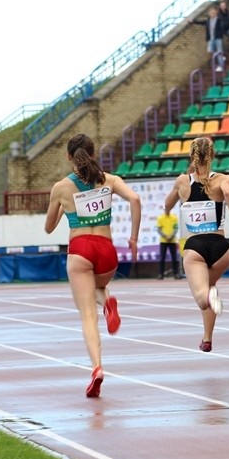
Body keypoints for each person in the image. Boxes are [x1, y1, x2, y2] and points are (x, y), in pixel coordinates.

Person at [44, 133, 141, 398]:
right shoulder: (109, 180)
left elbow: (49, 227)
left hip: (80, 250)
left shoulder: (61, 188)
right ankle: (107, 300)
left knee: (87, 315)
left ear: (68, 157)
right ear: (93, 154)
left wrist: (66, 208)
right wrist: (133, 237)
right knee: (98, 286)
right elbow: (135, 200)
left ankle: (97, 368)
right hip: (107, 251)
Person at [163, 137, 229, 352]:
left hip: (196, 247)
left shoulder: (182, 181)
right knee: (209, 287)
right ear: (212, 155)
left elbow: (167, 204)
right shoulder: (223, 179)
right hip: (221, 248)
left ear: (191, 156)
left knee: (202, 298)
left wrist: (169, 211)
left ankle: (209, 299)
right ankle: (207, 338)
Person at [189, 5, 227, 72]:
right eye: (211, 13)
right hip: (211, 39)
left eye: (213, 13)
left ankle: (221, 66)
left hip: (218, 38)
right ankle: (220, 57)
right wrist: (193, 21)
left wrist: (220, 34)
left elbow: (222, 28)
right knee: (209, 50)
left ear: (216, 13)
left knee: (219, 52)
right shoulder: (208, 20)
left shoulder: (219, 20)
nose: (212, 14)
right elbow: (201, 22)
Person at [156, 209, 182, 280]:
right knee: (162, 258)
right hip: (163, 240)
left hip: (172, 240)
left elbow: (176, 228)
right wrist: (165, 236)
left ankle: (176, 274)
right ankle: (161, 274)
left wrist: (171, 236)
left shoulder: (174, 217)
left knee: (174, 258)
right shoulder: (160, 218)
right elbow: (158, 229)